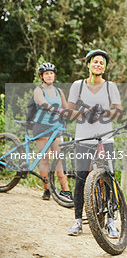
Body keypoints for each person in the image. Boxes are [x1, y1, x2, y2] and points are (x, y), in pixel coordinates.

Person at [66, 49, 123, 237]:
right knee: (81, 178)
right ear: (88, 64)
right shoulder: (78, 86)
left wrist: (103, 112)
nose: (98, 64)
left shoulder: (110, 87)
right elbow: (69, 111)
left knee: (108, 178)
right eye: (95, 62)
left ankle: (111, 221)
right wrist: (85, 114)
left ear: (105, 68)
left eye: (101, 63)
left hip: (106, 138)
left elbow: (119, 112)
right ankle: (77, 221)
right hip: (83, 139)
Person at [33, 62, 73, 201]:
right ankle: (47, 189)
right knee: (45, 158)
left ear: (54, 75)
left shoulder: (58, 91)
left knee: (59, 158)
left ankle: (65, 190)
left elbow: (66, 107)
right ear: (42, 76)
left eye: (51, 73)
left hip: (56, 127)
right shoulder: (39, 90)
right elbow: (43, 103)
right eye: (46, 74)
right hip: (42, 126)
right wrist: (56, 110)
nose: (49, 76)